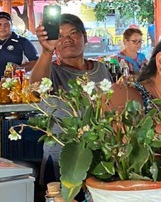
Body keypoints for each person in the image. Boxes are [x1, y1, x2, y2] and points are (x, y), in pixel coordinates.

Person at [31, 13, 112, 184]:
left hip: (99, 155)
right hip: (61, 157)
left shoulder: (101, 69)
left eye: (73, 33)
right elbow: (37, 88)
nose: (67, 39)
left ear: (85, 37)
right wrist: (46, 51)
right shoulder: (51, 70)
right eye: (60, 36)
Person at [0, 11, 38, 82]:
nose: (3, 27)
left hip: (14, 88)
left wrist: (20, 68)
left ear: (11, 25)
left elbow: (35, 62)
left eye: (6, 24)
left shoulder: (23, 42)